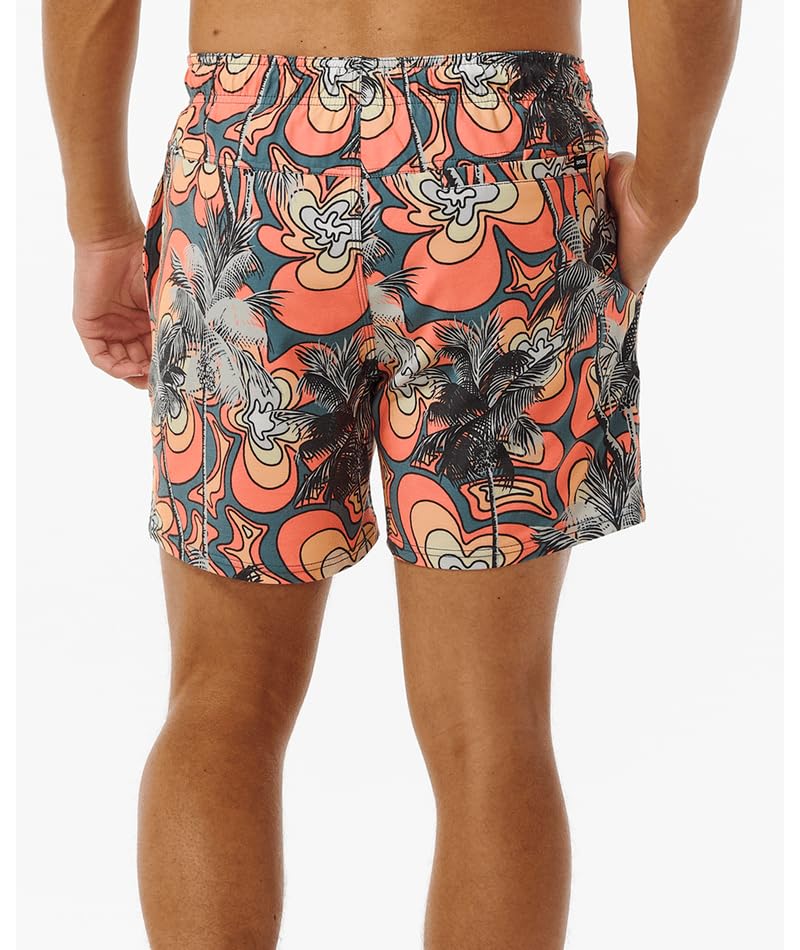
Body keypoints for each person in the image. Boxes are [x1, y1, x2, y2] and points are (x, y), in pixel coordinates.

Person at [43, 1, 741, 947]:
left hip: (250, 155)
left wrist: (98, 226)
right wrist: (665, 187)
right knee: (491, 724)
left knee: (222, 696)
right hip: (500, 161)